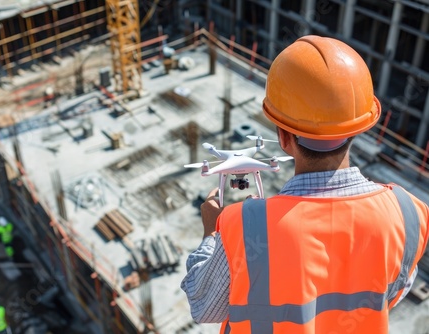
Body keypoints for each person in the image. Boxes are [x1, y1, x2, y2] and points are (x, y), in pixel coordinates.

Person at [181, 35, 429, 333]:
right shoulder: (409, 214)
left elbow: (205, 307)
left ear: (283, 137)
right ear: (358, 128)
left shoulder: (246, 226)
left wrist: (211, 234)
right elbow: (394, 291)